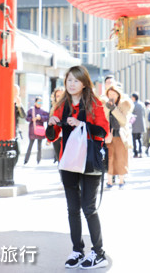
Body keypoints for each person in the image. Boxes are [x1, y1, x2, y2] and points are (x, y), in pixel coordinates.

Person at [46, 65, 109, 270]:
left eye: (75, 80)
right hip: (68, 162)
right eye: (68, 80)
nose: (71, 84)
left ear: (84, 83)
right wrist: (52, 123)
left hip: (89, 161)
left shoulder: (94, 103)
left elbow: (103, 132)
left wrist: (82, 124)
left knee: (88, 208)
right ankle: (77, 250)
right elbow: (51, 136)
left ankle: (99, 252)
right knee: (72, 209)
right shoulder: (61, 104)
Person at [103, 86, 132, 189]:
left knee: (121, 158)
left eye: (113, 94)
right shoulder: (105, 105)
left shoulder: (124, 105)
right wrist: (107, 107)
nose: (111, 96)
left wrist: (114, 108)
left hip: (120, 135)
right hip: (109, 136)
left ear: (118, 95)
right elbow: (103, 119)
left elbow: (123, 120)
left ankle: (121, 180)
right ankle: (109, 182)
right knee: (110, 158)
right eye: (109, 94)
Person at [24, 96, 49, 165]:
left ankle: (38, 160)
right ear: (35, 102)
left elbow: (48, 117)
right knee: (30, 146)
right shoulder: (31, 110)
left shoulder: (43, 111)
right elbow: (26, 118)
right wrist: (32, 119)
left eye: (41, 102)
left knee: (39, 147)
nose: (40, 103)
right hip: (32, 131)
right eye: (38, 102)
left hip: (40, 131)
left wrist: (40, 118)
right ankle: (26, 160)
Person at [51, 87, 65, 163]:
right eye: (57, 96)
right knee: (60, 161)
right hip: (57, 137)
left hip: (67, 136)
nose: (59, 97)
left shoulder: (69, 106)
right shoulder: (53, 108)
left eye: (61, 95)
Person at [130, 93, 146, 158]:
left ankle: (135, 153)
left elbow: (131, 115)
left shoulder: (133, 105)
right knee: (140, 139)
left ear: (134, 98)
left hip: (134, 124)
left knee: (134, 139)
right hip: (141, 124)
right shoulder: (142, 104)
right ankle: (140, 152)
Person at [14, 84, 26, 162]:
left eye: (17, 92)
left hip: (15, 131)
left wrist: (19, 105)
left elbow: (23, 116)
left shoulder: (17, 105)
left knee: (17, 151)